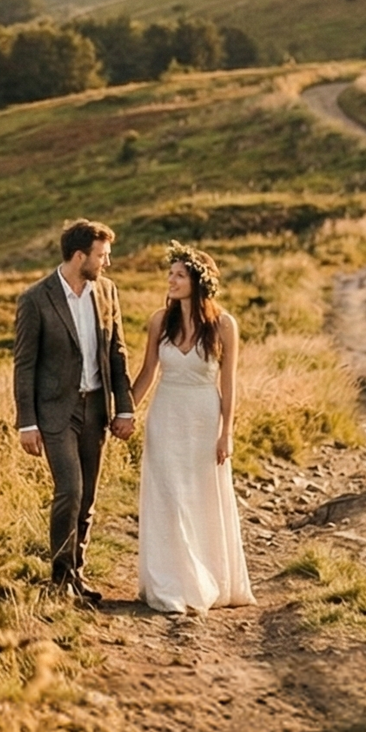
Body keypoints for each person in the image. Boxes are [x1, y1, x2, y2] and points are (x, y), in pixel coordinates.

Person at [13, 219, 136, 604]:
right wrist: (26, 422)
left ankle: (77, 576)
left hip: (96, 408)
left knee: (88, 499)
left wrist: (125, 408)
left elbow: (117, 352)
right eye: (102, 256)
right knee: (70, 489)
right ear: (80, 255)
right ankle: (60, 578)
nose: (107, 263)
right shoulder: (36, 299)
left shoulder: (108, 292)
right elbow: (24, 364)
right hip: (55, 413)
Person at [131, 242, 255, 613]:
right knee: (169, 497)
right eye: (170, 274)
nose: (171, 280)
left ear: (199, 283)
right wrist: (123, 413)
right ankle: (171, 583)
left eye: (179, 275)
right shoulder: (159, 321)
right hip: (166, 415)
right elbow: (148, 372)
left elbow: (228, 384)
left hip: (203, 418)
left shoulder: (224, 325)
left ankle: (206, 578)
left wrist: (226, 432)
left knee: (200, 498)